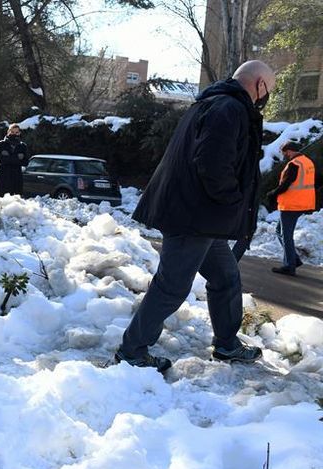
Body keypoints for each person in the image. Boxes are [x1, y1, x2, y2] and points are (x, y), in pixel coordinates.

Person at [115, 60, 275, 373]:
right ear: (258, 85)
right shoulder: (227, 108)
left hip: (202, 216)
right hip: (194, 216)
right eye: (267, 90)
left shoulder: (216, 104)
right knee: (172, 286)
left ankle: (227, 344)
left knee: (226, 277)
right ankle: (132, 350)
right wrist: (233, 200)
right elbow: (213, 164)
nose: (265, 98)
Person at [268, 141, 316, 276]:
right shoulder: (307, 162)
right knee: (280, 231)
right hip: (302, 203)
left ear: (289, 151)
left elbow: (286, 184)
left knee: (286, 235)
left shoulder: (294, 164)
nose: (284, 155)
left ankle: (290, 266)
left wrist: (273, 193)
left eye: (284, 152)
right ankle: (293, 259)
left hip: (291, 204)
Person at [0, 123, 28, 197]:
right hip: (3, 178)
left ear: (19, 133)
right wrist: (18, 158)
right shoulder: (1, 144)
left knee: (15, 203)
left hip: (16, 178)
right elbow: (1, 160)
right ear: (8, 132)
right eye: (12, 132)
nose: (14, 134)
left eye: (16, 132)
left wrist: (9, 157)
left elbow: (25, 162)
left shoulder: (23, 146)